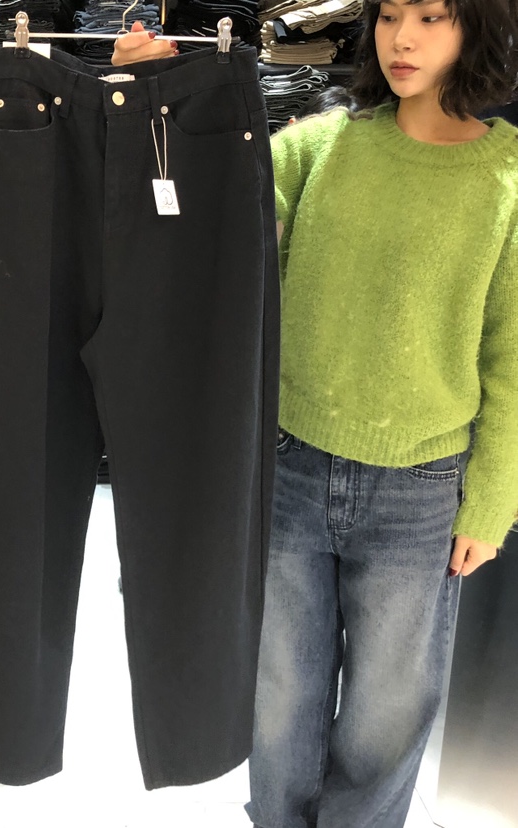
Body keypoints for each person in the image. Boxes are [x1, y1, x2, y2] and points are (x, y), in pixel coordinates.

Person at [113, 1, 518, 826]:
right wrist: (157, 91)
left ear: (476, 28)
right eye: (391, 15)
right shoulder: (320, 145)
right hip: (292, 465)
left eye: (432, 17)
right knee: (279, 698)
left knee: (388, 714)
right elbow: (210, 204)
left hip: (420, 490)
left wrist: (493, 502)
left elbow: (510, 357)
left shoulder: (506, 180)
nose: (403, 38)